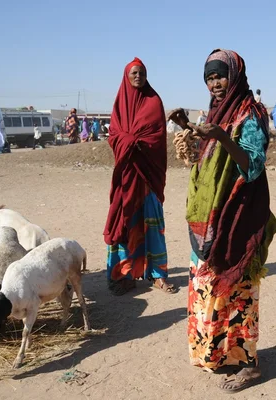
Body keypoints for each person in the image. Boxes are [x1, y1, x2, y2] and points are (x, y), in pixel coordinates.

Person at [168, 49, 276, 393]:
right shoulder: (217, 110)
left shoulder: (250, 112)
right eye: (209, 78)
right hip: (210, 217)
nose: (215, 83)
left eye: (220, 76)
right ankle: (217, 354)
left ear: (235, 74)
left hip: (239, 216)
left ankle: (248, 363)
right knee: (208, 289)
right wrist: (187, 125)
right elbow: (209, 153)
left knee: (237, 291)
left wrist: (224, 137)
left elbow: (253, 166)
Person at [103, 57, 175, 296]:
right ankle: (123, 275)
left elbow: (156, 137)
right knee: (125, 221)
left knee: (153, 225)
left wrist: (134, 140)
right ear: (127, 75)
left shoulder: (154, 102)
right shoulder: (119, 105)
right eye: (134, 73)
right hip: (127, 175)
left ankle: (157, 275)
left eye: (141, 73)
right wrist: (129, 140)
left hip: (148, 176)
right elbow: (114, 135)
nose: (138, 76)